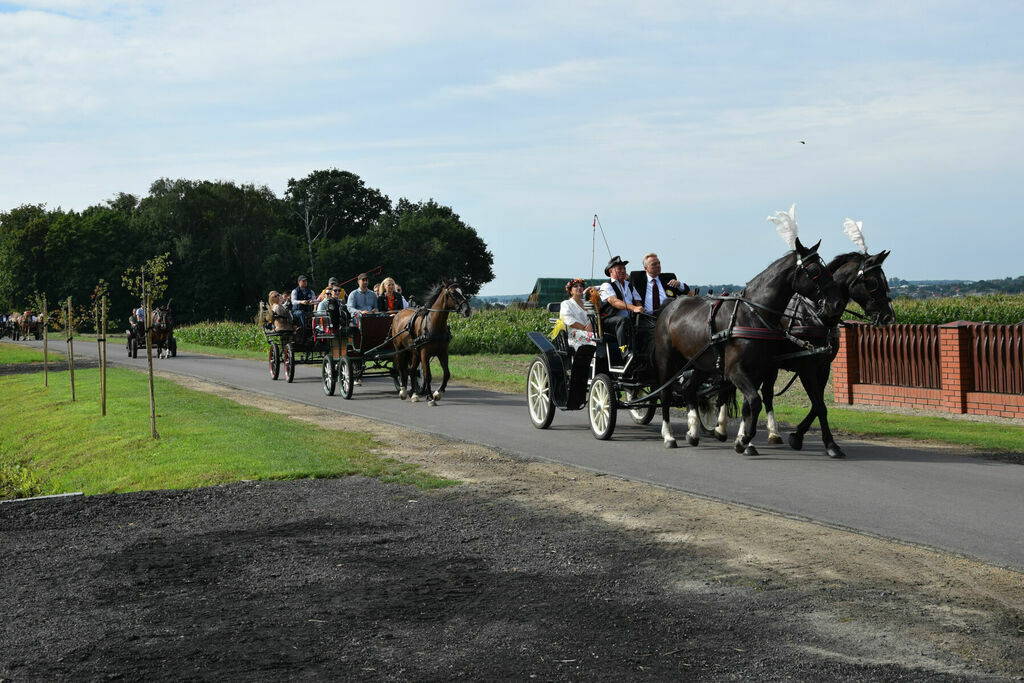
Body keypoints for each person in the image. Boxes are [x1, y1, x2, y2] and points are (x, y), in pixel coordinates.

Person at [599, 255, 643, 360]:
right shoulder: (606, 286)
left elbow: (638, 302)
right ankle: (625, 352)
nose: (623, 271)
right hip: (608, 320)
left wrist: (640, 308)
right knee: (622, 321)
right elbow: (614, 302)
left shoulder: (629, 285)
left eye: (624, 268)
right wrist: (633, 308)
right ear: (611, 271)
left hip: (629, 319)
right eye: (619, 269)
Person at [560, 278, 597, 350]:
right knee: (596, 339)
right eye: (576, 286)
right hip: (574, 333)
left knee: (604, 337)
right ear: (570, 291)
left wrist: (591, 326)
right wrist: (584, 328)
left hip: (591, 331)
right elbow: (568, 320)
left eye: (581, 286)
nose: (579, 287)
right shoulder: (566, 303)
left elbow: (595, 317)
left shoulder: (587, 303)